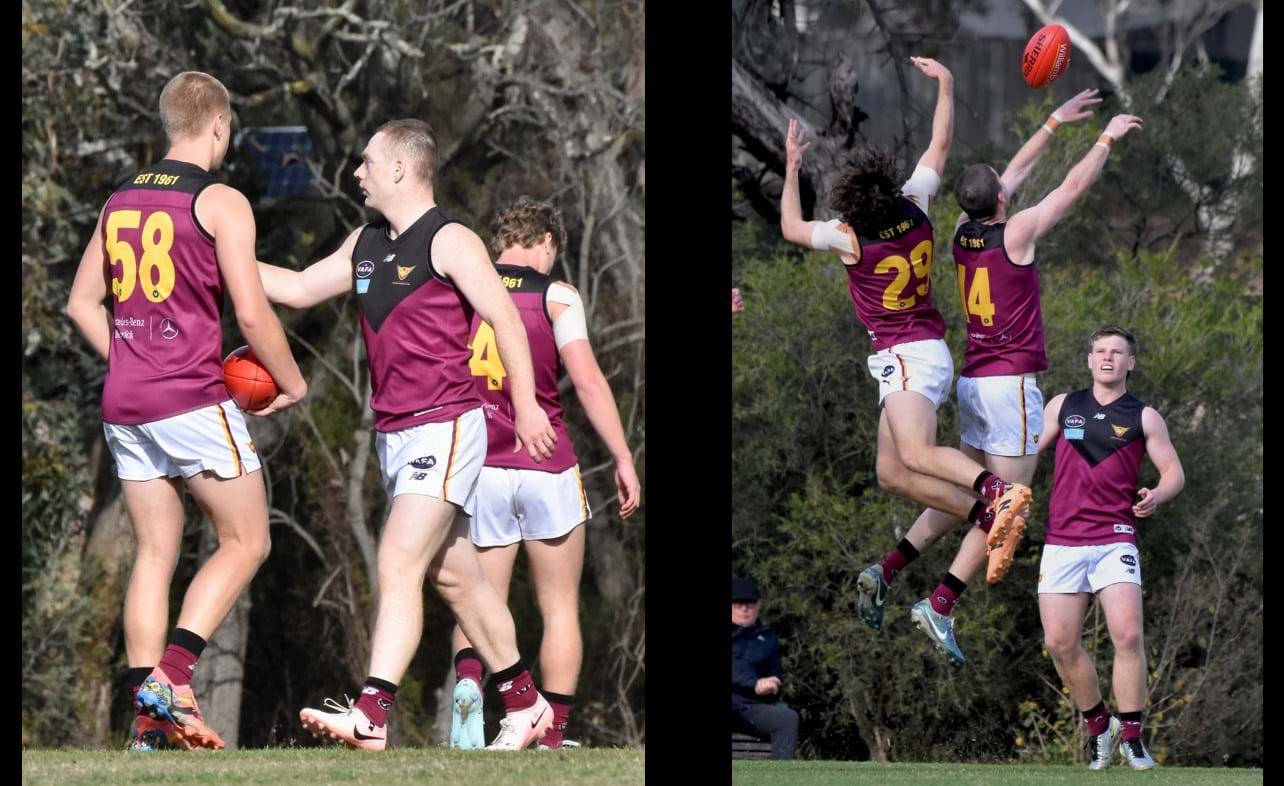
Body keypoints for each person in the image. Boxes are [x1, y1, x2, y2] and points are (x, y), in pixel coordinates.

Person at [255, 119, 560, 751]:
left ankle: (371, 715)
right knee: (458, 579)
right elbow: (300, 288)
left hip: (446, 424)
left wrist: (527, 406)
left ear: (399, 168)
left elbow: (505, 318)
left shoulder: (449, 239)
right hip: (397, 435)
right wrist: (220, 253)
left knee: (398, 561)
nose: (357, 173)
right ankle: (528, 706)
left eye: (367, 162)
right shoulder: (365, 241)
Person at [65, 71, 308, 751]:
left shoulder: (121, 199)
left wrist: (130, 361)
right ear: (220, 127)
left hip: (127, 402)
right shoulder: (222, 200)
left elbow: (82, 303)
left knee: (155, 551)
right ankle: (169, 681)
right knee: (247, 541)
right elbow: (253, 313)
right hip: (192, 398)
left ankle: (147, 729)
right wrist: (293, 383)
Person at [860, 94, 1139, 667]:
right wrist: (1105, 138)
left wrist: (1053, 123)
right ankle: (940, 603)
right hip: (1011, 386)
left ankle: (888, 569)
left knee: (970, 493)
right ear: (1004, 202)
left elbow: (1011, 173)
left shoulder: (963, 229)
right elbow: (1071, 187)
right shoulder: (1017, 234)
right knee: (1006, 506)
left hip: (973, 380)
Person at [779, 57, 1032, 634]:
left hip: (910, 353)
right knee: (893, 474)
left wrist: (793, 167)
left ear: (852, 206)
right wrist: (946, 82)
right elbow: (939, 147)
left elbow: (792, 228)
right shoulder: (915, 206)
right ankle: (977, 512)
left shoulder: (849, 238)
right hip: (912, 354)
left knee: (917, 456)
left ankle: (998, 495)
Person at [446, 197, 642, 749]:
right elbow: (588, 381)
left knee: (480, 597)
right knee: (559, 608)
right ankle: (551, 733)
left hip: (480, 464)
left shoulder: (464, 288)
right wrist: (623, 457)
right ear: (548, 242)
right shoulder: (556, 295)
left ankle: (468, 687)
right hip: (545, 462)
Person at [1036, 327, 1183, 770]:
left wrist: (1157, 494)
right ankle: (1102, 725)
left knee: (1128, 634)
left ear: (1130, 363)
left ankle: (1134, 737)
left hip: (1115, 535)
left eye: (1117, 352)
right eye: (1100, 351)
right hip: (1062, 538)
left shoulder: (1145, 416)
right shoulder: (1063, 405)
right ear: (1088, 360)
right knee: (1059, 642)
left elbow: (1173, 471)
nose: (1108, 358)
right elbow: (1027, 452)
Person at [730, 577, 799, 760]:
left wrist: (773, 685)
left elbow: (775, 676)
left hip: (750, 708)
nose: (745, 609)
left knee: (787, 717)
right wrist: (754, 683)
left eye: (750, 604)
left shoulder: (768, 639)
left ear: (758, 606)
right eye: (739, 604)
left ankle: (782, 777)